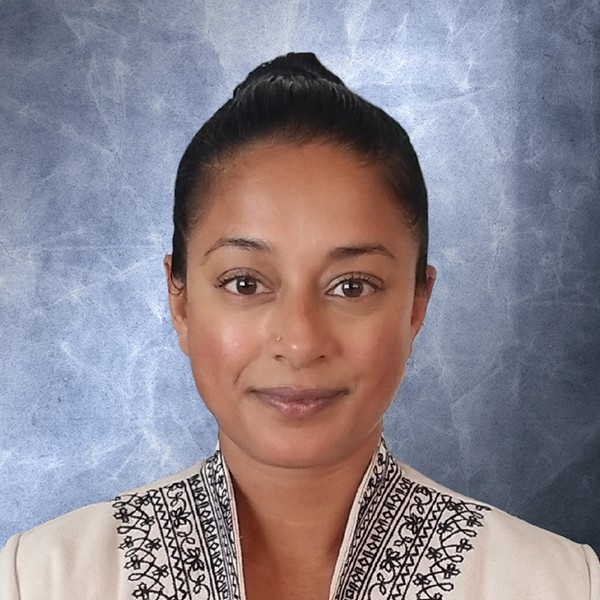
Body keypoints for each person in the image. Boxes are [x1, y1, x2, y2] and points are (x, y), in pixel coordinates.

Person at [0, 52, 598, 600]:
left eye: (352, 286)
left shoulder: (557, 583)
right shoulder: (43, 578)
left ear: (417, 304)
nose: (301, 341)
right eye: (245, 283)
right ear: (179, 301)